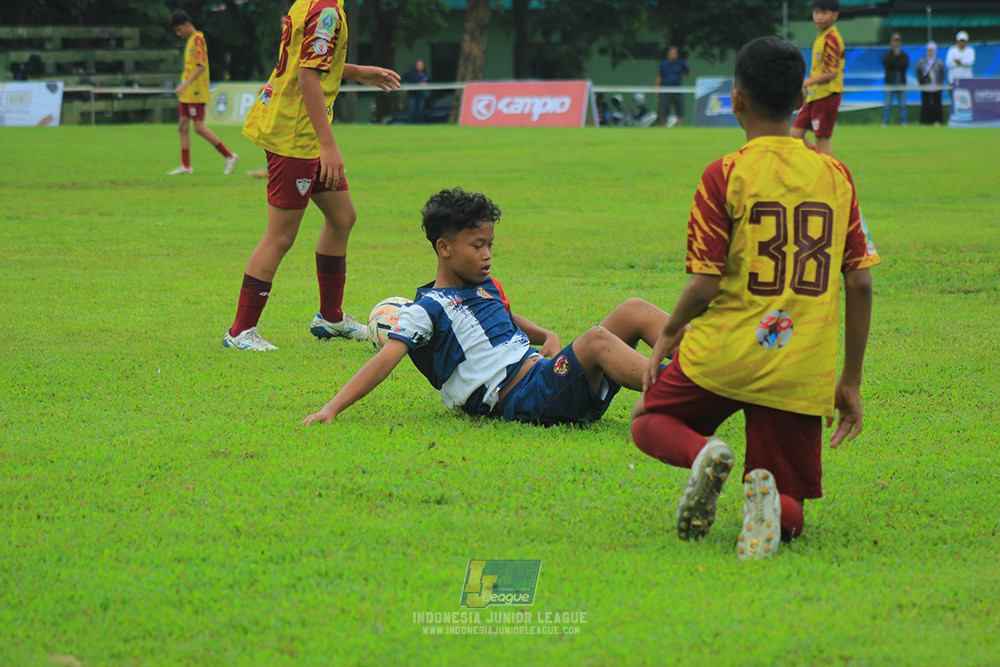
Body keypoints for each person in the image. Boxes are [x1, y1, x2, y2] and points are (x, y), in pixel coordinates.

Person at [630, 36, 880, 560]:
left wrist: (671, 331)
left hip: (724, 351)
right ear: (799, 101)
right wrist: (850, 380)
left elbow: (704, 284)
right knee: (789, 508)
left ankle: (706, 454)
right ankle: (764, 506)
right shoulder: (836, 176)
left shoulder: (725, 173)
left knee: (649, 420)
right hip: (798, 364)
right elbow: (859, 281)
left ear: (736, 99)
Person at [302, 187, 674, 425]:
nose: (487, 255)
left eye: (490, 245)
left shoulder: (485, 286)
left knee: (633, 309)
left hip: (546, 377)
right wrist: (331, 408)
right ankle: (687, 394)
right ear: (444, 248)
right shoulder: (428, 308)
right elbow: (383, 362)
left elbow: (506, 318)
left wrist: (546, 333)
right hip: (525, 396)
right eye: (477, 246)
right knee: (596, 340)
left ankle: (711, 357)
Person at [223, 0, 401, 351]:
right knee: (281, 236)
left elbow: (308, 63)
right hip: (295, 136)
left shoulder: (314, 3)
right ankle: (240, 332)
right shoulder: (327, 10)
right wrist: (327, 145)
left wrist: (358, 71)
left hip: (299, 131)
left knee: (342, 217)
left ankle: (330, 318)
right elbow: (307, 77)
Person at [167, 11, 239, 176]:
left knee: (198, 128)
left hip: (195, 92)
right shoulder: (190, 41)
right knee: (182, 127)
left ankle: (229, 156)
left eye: (179, 30)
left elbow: (201, 67)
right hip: (187, 93)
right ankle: (186, 166)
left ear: (187, 24)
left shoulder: (198, 39)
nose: (179, 34)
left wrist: (184, 85)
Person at [791, 0, 844, 157]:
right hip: (816, 95)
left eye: (824, 13)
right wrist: (809, 86)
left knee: (822, 139)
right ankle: (820, 164)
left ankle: (834, 175)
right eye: (816, 13)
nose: (819, 17)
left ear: (835, 15)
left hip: (827, 95)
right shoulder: (821, 36)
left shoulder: (832, 39)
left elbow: (831, 72)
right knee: (795, 135)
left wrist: (805, 83)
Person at [655, 46, 690, 127]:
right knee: (664, 109)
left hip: (677, 90)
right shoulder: (663, 64)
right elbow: (659, 77)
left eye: (675, 53)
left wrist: (681, 78)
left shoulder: (680, 63)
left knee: (679, 108)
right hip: (665, 89)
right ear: (668, 54)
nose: (673, 55)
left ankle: (679, 125)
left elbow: (688, 72)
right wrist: (657, 89)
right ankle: (664, 125)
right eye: (672, 53)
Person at [915, 42, 946, 125]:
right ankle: (925, 121)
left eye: (932, 51)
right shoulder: (922, 61)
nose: (930, 52)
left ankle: (937, 120)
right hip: (925, 86)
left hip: (936, 86)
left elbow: (943, 73)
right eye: (928, 50)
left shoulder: (939, 62)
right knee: (925, 104)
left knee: (937, 104)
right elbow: (918, 71)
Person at [881, 33, 909, 126]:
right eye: (895, 41)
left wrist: (898, 57)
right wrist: (895, 56)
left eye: (898, 41)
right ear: (891, 42)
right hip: (890, 83)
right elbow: (887, 64)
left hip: (901, 83)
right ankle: (885, 122)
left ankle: (904, 122)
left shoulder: (904, 56)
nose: (896, 43)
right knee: (887, 105)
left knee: (903, 105)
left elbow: (903, 65)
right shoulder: (887, 54)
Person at [401, 59, 430, 123]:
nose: (420, 66)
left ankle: (419, 124)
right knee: (412, 110)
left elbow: (428, 82)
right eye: (418, 65)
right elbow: (404, 80)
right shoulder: (410, 73)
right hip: (412, 94)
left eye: (421, 65)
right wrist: (404, 87)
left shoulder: (425, 74)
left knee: (421, 110)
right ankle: (411, 123)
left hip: (420, 94)